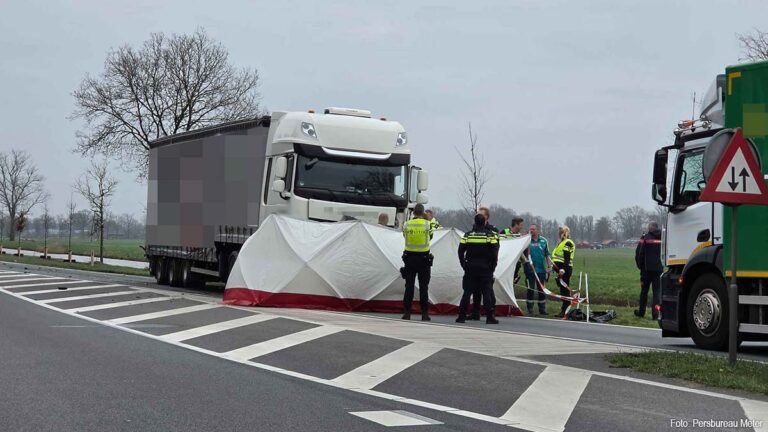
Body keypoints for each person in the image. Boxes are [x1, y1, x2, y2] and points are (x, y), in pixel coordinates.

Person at [456, 213, 500, 324]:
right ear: (485, 222)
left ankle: (461, 316)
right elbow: (495, 252)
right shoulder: (490, 236)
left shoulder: (468, 235)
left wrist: (463, 264)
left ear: (474, 222)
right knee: (486, 292)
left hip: (470, 268)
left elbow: (460, 251)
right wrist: (493, 266)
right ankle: (490, 317)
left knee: (467, 292)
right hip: (485, 269)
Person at [401, 204, 433, 321]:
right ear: (423, 212)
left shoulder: (407, 224)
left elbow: (405, 236)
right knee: (424, 287)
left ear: (413, 213)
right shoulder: (427, 224)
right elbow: (430, 237)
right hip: (424, 259)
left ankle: (407, 313)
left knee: (409, 286)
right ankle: (424, 314)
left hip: (409, 258)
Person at [634, 222, 663, 319]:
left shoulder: (645, 238)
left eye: (649, 226)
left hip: (646, 270)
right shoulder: (662, 238)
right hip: (658, 270)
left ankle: (641, 312)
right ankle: (655, 315)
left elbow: (639, 253)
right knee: (657, 293)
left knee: (644, 292)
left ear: (651, 228)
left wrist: (640, 267)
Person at [524, 224, 553, 316]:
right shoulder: (527, 240)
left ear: (538, 230)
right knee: (530, 289)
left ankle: (542, 309)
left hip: (541, 270)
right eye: (530, 229)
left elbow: (547, 255)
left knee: (541, 289)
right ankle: (530, 308)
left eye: (533, 229)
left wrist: (549, 267)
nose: (531, 231)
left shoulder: (544, 241)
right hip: (530, 270)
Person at [551, 226, 576, 318]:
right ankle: (564, 311)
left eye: (561, 232)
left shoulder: (568, 242)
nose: (559, 234)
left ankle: (565, 312)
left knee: (565, 291)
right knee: (563, 290)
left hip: (565, 269)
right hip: (560, 269)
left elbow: (567, 258)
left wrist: (563, 269)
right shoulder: (561, 242)